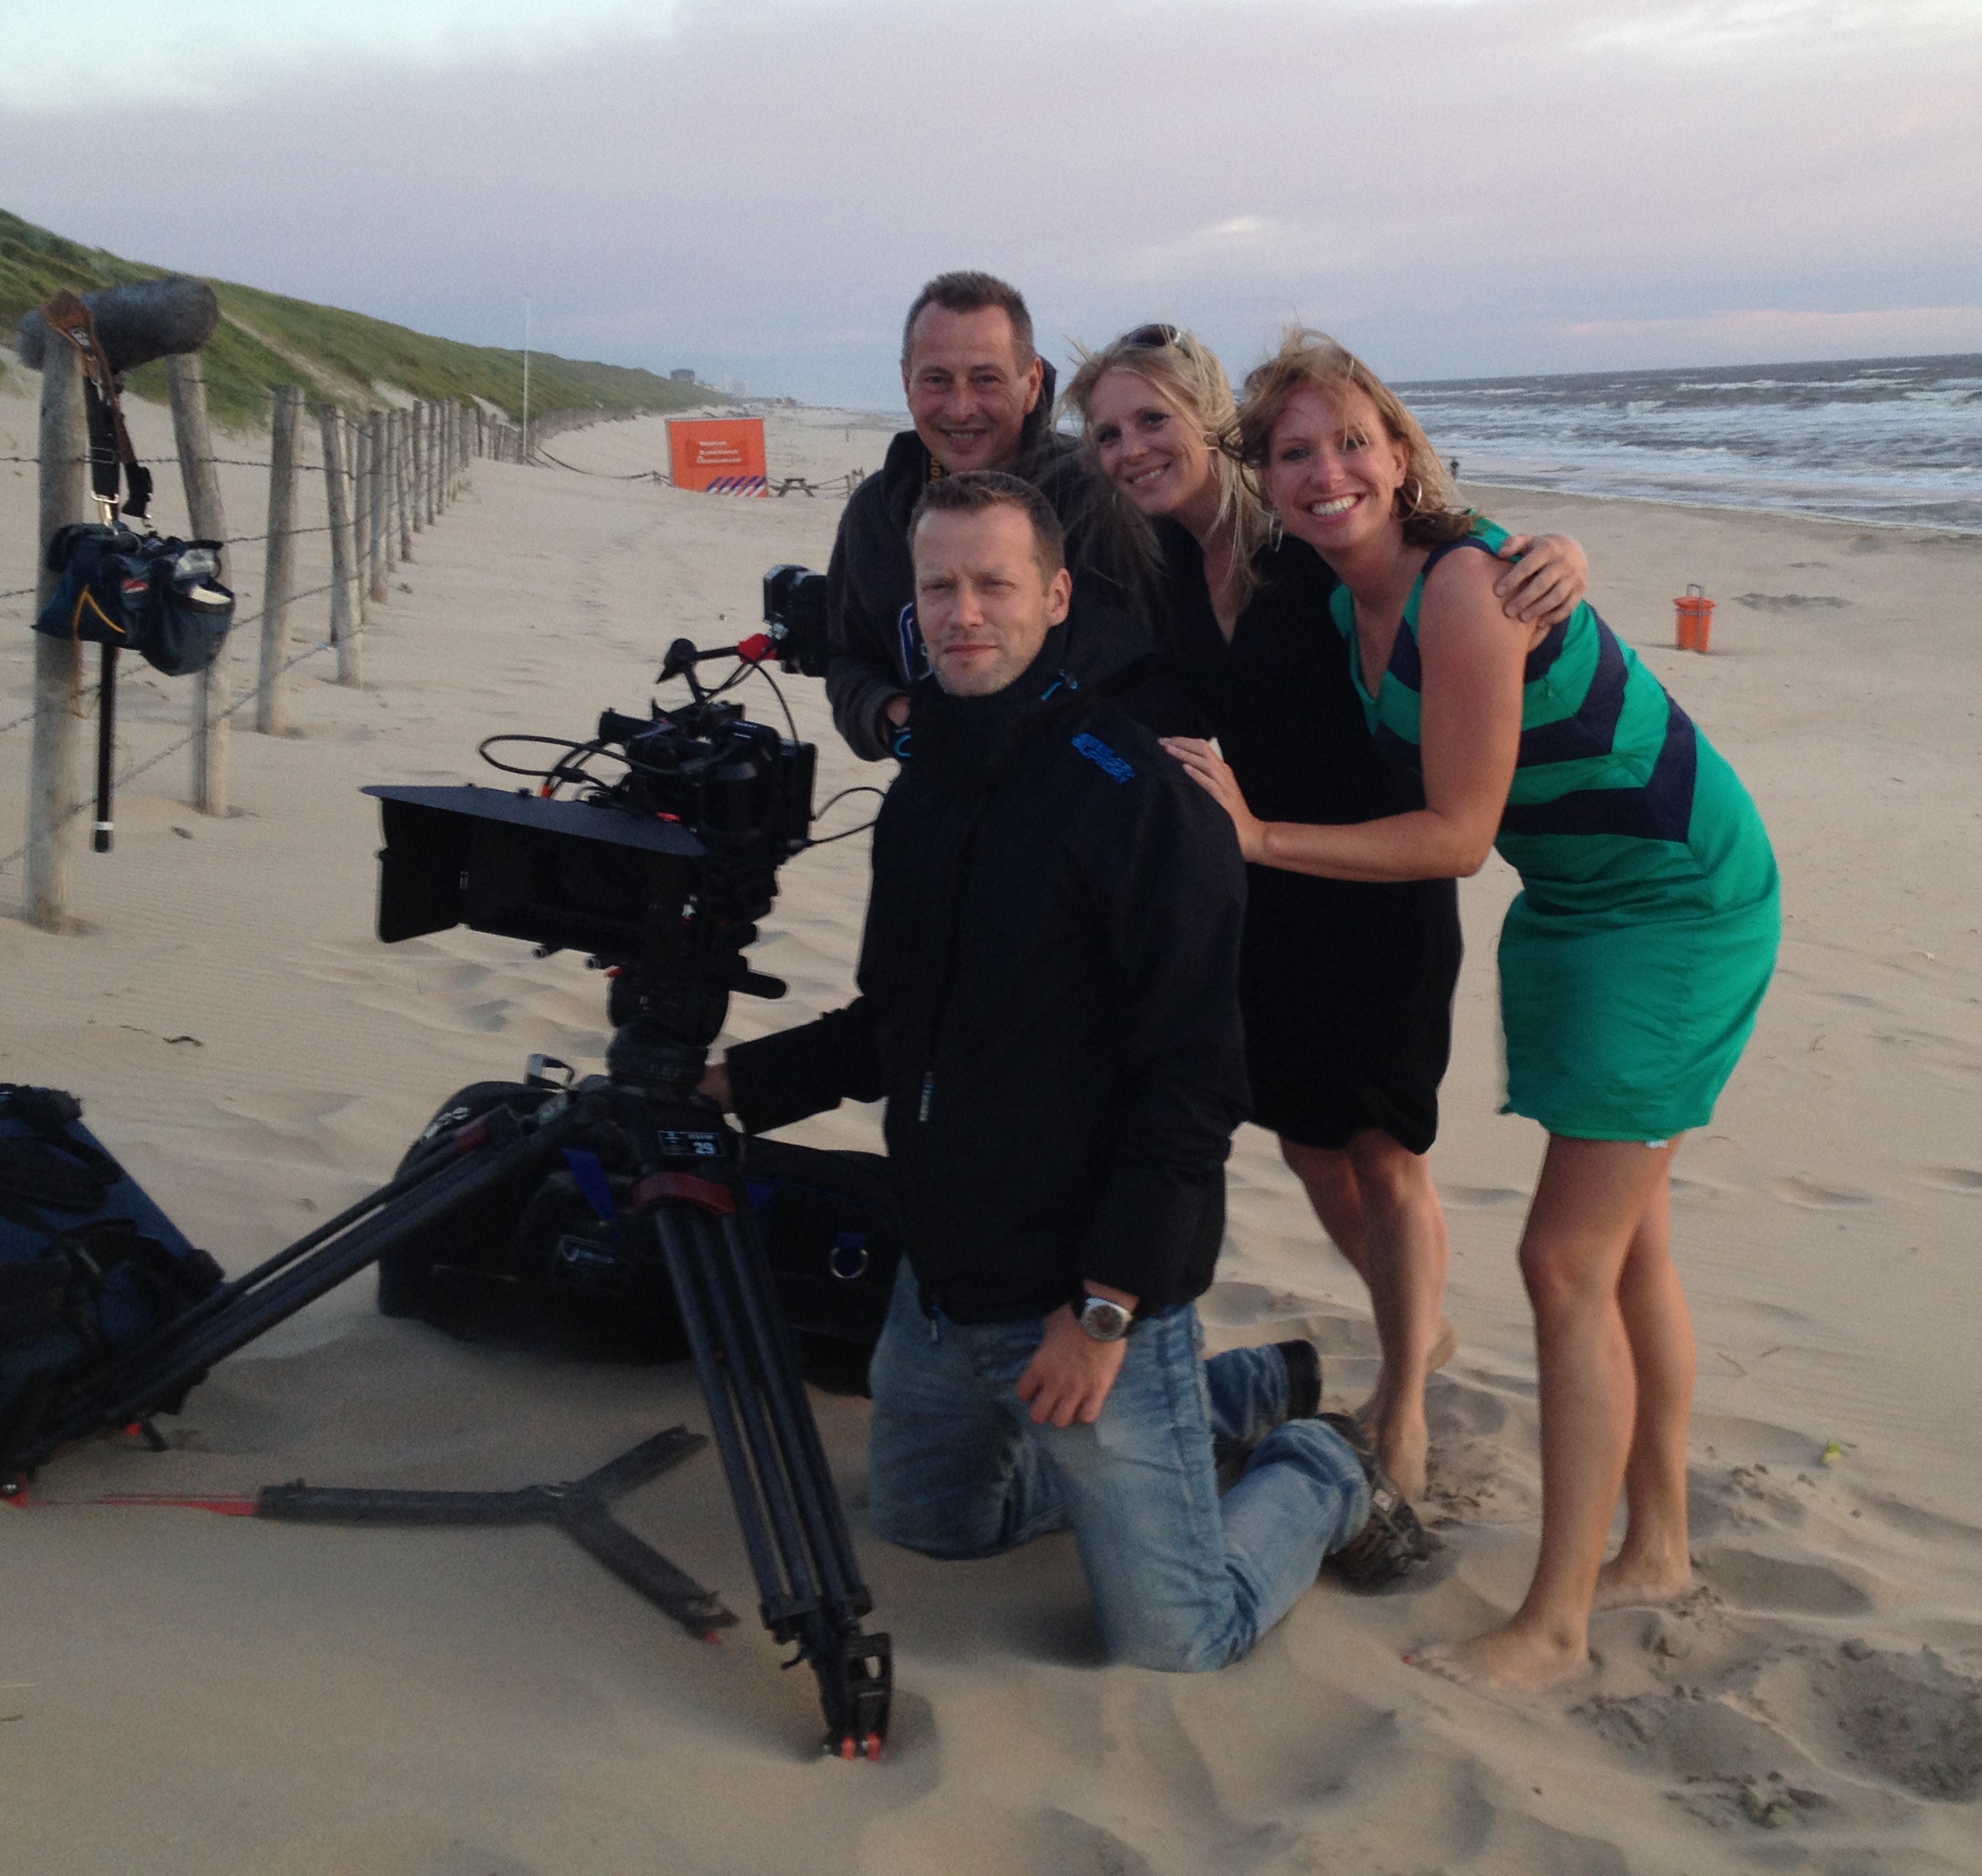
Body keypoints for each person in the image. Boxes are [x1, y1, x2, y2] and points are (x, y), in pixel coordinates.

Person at [705, 468, 1427, 1672]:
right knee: (931, 1527)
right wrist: (730, 1089)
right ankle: (1243, 1394)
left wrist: (1101, 1313)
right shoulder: (921, 789)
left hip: (1089, 1300)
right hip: (942, 1287)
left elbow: (1194, 1088)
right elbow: (892, 1026)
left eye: (994, 585)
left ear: (1055, 598)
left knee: (1181, 1638)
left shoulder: (1141, 801)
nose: (963, 613)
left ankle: (1321, 1465)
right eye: (939, 587)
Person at [1167, 333, 1780, 1693]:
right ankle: (1658, 1545)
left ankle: (1554, 1627)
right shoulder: (1347, 600)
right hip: (1574, 903)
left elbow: (1454, 837)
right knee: (1626, 1247)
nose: (1327, 471)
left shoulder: (1458, 585)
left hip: (1677, 902)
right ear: (1266, 480)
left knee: (1562, 1262)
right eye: (1294, 453)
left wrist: (1258, 841)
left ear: (1401, 453)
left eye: (1352, 442)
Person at [1061, 325, 1587, 1502]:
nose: (1133, 449)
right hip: (1256, 894)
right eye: (1108, 433)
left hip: (1380, 877)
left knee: (1385, 1156)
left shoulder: (1307, 539)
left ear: (1212, 422)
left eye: (1153, 421)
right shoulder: (1152, 563)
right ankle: (1419, 1322)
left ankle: (1403, 1399)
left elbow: (1445, 545)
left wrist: (1560, 551)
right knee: (1307, 1147)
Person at [822, 271, 1150, 762]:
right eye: (937, 380)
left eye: (986, 379)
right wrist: (896, 717)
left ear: (1031, 383)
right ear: (907, 383)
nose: (960, 409)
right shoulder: (875, 513)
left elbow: (1153, 666)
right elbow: (848, 659)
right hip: (940, 788)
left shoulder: (1099, 499)